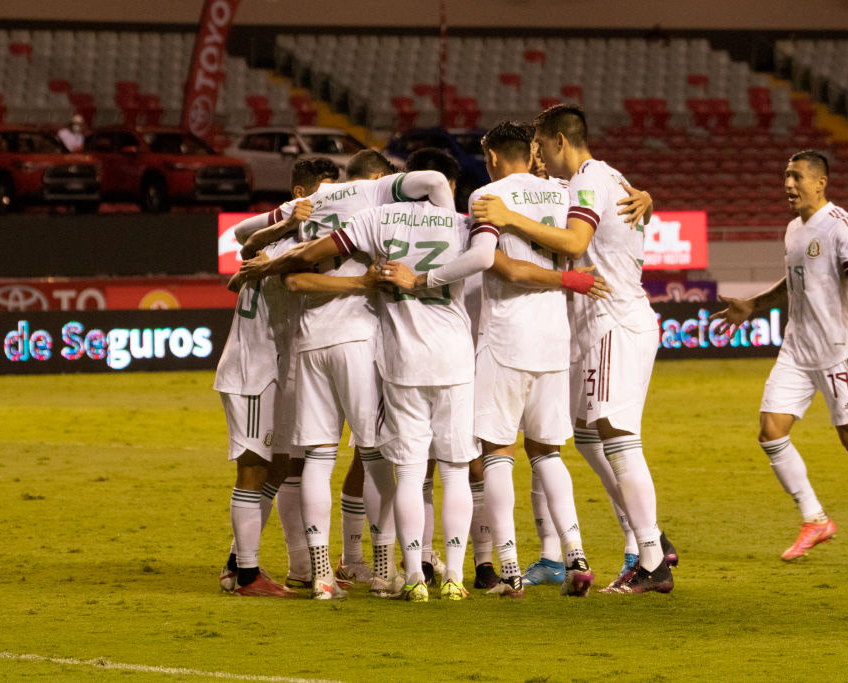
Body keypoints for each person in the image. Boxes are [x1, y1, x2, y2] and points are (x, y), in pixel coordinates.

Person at [228, 151, 462, 600]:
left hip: (307, 344)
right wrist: (446, 222)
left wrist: (277, 232)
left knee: (317, 459)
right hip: (357, 338)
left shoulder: (314, 201)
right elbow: (432, 178)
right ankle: (381, 571)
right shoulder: (372, 194)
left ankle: (320, 574)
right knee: (378, 455)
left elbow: (262, 251)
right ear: (377, 177)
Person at [473, 104, 675, 595]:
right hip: (597, 326)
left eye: (541, 144)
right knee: (585, 435)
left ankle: (650, 554)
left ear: (559, 141)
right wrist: (649, 200)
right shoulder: (606, 176)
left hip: (612, 321)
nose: (537, 154)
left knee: (619, 437)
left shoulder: (586, 179)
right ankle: (649, 539)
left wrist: (508, 217)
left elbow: (574, 238)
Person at [710, 149, 848, 566]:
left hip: (837, 351)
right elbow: (795, 279)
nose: (788, 184)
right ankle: (814, 519)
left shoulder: (843, 226)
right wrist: (755, 303)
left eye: (796, 176)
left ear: (820, 182)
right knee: (771, 431)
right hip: (796, 349)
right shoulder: (793, 229)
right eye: (785, 176)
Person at [470, 121, 611, 598]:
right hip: (554, 339)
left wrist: (566, 281)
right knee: (547, 451)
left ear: (491, 155)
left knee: (497, 453)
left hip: (507, 336)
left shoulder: (488, 197)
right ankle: (577, 555)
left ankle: (508, 568)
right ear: (530, 151)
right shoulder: (560, 191)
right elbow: (576, 245)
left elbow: (504, 268)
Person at [216, 160, 338, 597]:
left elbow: (246, 258)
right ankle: (247, 576)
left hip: (279, 367)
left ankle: (237, 563)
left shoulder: (305, 239)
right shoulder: (282, 229)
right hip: (252, 369)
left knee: (283, 463)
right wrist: (285, 220)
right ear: (301, 192)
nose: (330, 201)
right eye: (323, 192)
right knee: (253, 467)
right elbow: (244, 240)